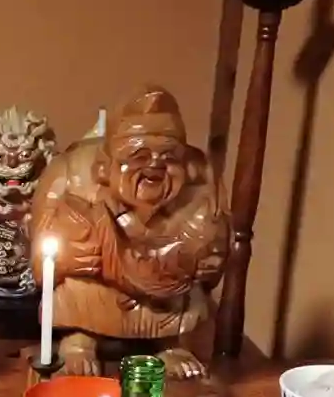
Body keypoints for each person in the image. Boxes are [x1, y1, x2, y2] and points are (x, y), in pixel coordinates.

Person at [30, 89, 231, 377]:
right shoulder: (70, 170)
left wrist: (206, 263)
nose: (154, 165)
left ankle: (169, 345)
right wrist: (73, 255)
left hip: (167, 301)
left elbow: (216, 253)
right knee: (76, 278)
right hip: (92, 297)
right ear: (105, 165)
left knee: (186, 288)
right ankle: (79, 340)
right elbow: (41, 260)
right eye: (139, 156)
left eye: (168, 157)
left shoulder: (201, 181)